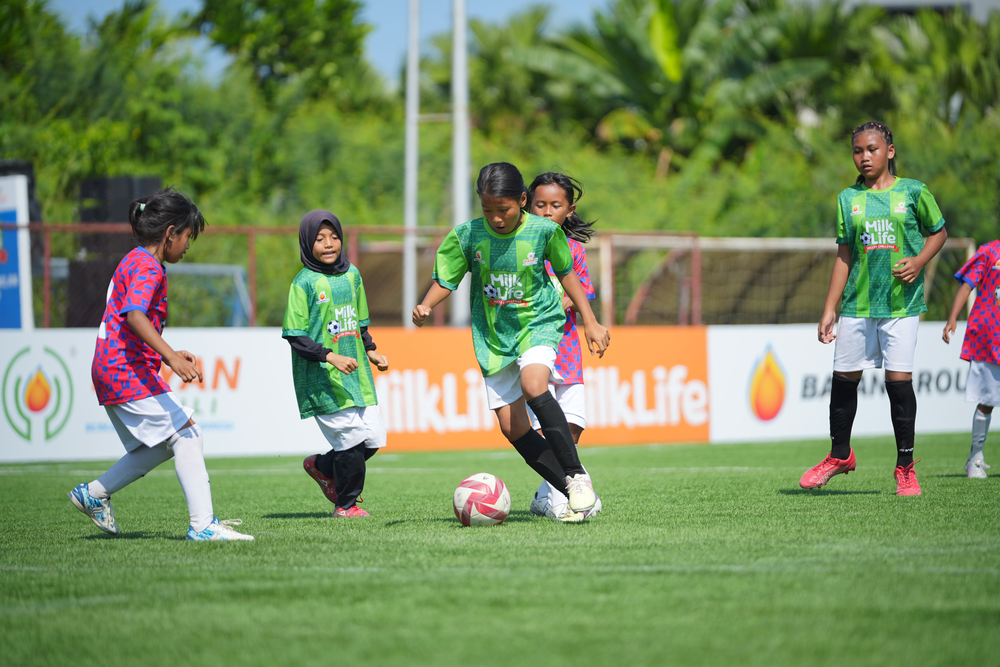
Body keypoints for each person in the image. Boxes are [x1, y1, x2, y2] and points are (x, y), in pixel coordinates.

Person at [413, 162, 610, 522]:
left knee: (534, 384)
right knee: (512, 427)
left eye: (502, 210)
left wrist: (591, 322)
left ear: (521, 200)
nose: (496, 218)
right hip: (493, 338)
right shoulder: (467, 236)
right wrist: (426, 304)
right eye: (487, 210)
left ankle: (577, 476)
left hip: (538, 325)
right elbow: (447, 278)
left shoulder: (543, 233)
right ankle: (570, 491)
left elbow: (567, 275)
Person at [70, 187, 253, 541]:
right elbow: (135, 314)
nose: (187, 246)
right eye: (187, 237)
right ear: (171, 233)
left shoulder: (135, 260)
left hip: (112, 368)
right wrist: (168, 355)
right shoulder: (148, 266)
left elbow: (132, 320)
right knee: (187, 433)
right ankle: (203, 526)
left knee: (161, 445)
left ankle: (94, 493)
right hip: (123, 370)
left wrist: (168, 352)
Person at [800, 121, 947, 496]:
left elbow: (939, 232)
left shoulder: (914, 191)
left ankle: (905, 468)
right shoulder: (847, 199)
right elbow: (844, 254)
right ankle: (839, 456)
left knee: (898, 384)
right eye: (858, 151)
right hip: (857, 304)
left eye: (872, 149)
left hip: (901, 304)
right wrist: (829, 307)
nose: (864, 157)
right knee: (843, 380)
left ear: (890, 151)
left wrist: (919, 261)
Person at [283, 210, 389, 518]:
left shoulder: (352, 274)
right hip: (322, 377)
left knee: (372, 440)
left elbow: (359, 322)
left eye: (334, 237)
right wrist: (330, 357)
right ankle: (346, 505)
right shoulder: (303, 283)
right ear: (306, 243)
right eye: (319, 239)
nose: (329, 244)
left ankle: (322, 466)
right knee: (352, 442)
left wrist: (370, 349)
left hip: (357, 376)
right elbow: (295, 336)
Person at [524, 172, 602, 519]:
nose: (546, 211)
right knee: (546, 428)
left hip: (567, 349)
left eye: (555, 205)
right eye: (540, 204)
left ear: (570, 210)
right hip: (531, 349)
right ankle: (562, 496)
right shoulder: (520, 248)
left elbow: (578, 292)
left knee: (573, 427)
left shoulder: (573, 251)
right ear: (528, 204)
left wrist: (589, 321)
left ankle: (545, 495)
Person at [942, 235, 1000, 479]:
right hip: (990, 334)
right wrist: (953, 317)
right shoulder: (989, 252)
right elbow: (967, 286)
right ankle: (975, 457)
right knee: (987, 399)